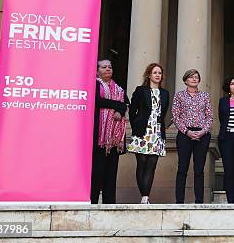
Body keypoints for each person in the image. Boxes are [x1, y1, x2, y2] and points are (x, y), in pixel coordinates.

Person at [127, 63, 169, 204]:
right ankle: (144, 194)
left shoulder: (165, 93)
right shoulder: (141, 90)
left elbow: (163, 113)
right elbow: (132, 110)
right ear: (149, 75)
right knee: (142, 162)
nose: (157, 75)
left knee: (152, 164)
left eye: (159, 73)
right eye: (155, 72)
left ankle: (145, 197)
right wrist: (136, 125)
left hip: (156, 131)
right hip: (142, 130)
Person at [172, 69, 213, 203]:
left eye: (196, 77)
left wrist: (202, 131)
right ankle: (179, 202)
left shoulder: (205, 96)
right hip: (185, 134)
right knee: (182, 168)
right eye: (191, 77)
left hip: (202, 134)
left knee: (199, 169)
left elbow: (210, 117)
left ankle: (199, 201)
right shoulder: (179, 96)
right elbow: (176, 117)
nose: (194, 79)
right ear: (185, 80)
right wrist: (187, 132)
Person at [91, 59, 129, 204]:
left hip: (114, 138)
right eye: (104, 67)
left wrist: (120, 109)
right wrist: (118, 106)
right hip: (99, 136)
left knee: (111, 172)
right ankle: (92, 202)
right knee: (97, 172)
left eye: (110, 67)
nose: (108, 69)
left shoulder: (118, 88)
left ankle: (109, 202)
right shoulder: (94, 84)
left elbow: (126, 103)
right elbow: (97, 101)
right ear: (97, 70)